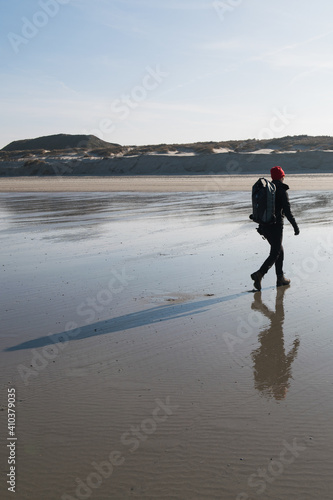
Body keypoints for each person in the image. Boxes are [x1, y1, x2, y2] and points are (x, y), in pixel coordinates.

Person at [251, 166, 299, 290]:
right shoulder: (281, 190)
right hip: (276, 225)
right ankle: (259, 274)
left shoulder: (267, 190)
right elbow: (287, 212)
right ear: (282, 176)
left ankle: (280, 278)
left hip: (264, 224)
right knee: (276, 252)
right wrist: (295, 227)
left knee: (279, 250)